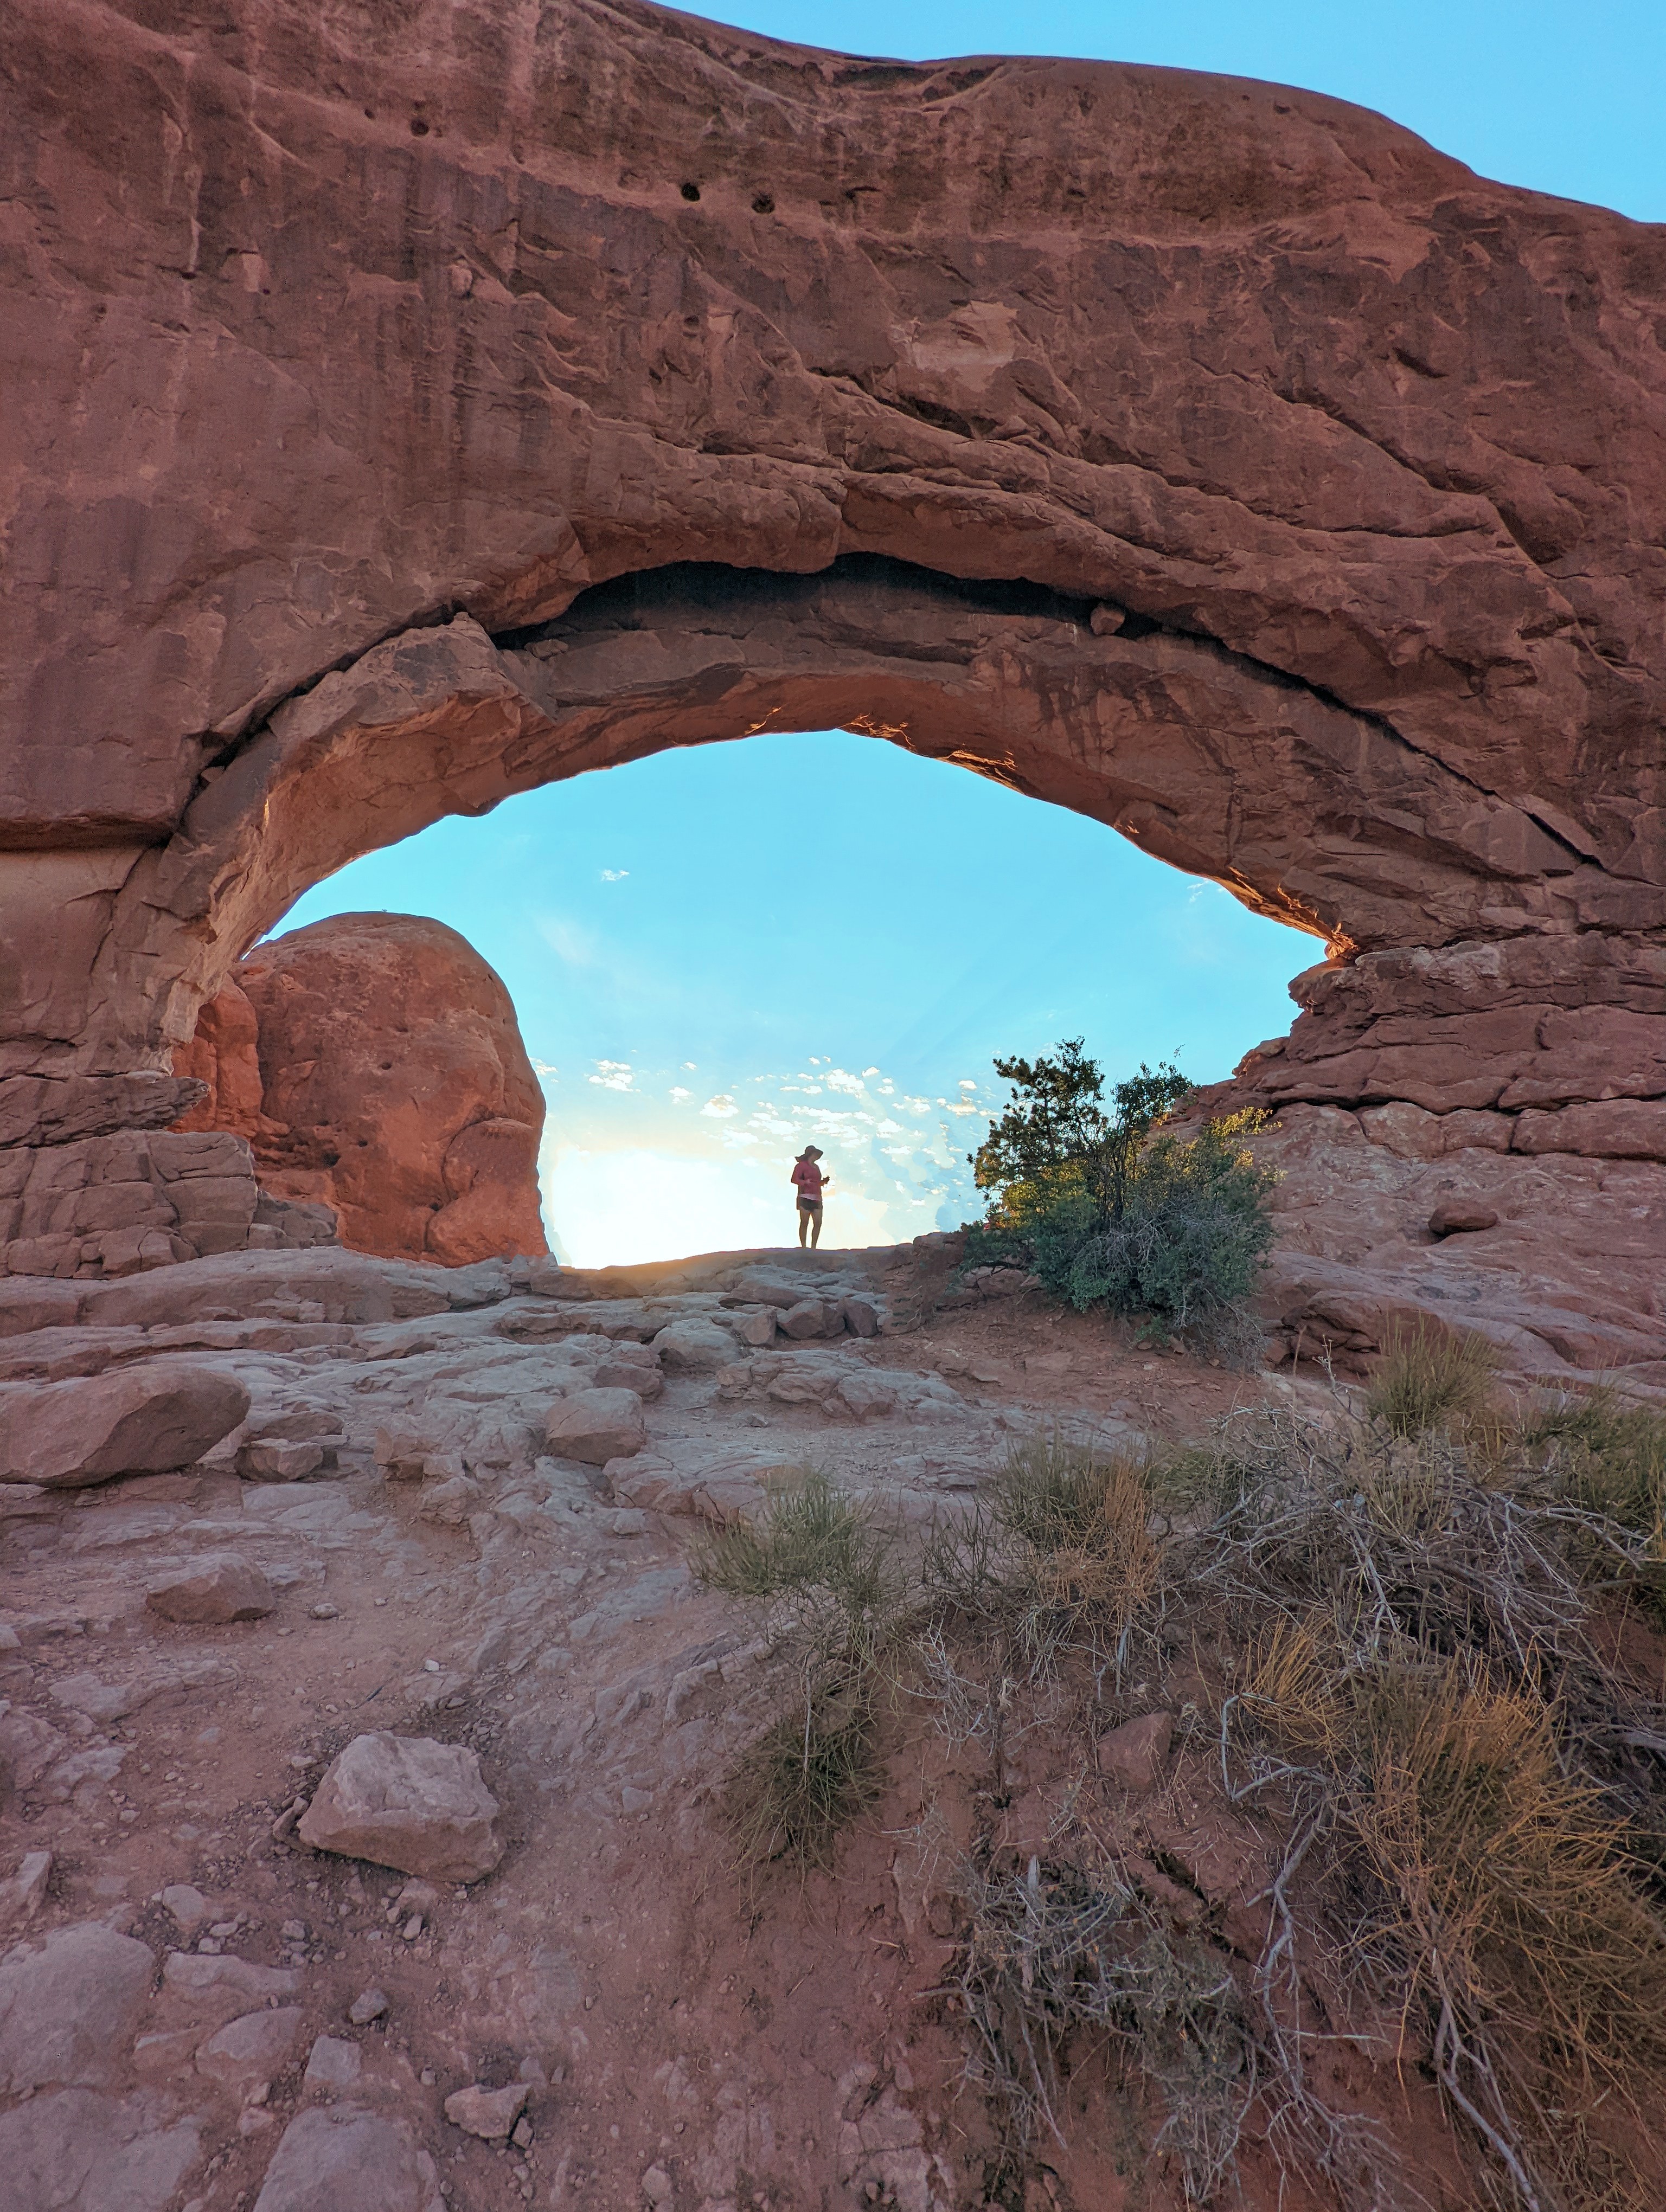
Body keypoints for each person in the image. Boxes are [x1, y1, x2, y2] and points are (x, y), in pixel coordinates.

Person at [790, 1146, 830, 1248]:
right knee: (805, 1222)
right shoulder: (801, 1166)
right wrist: (805, 1182)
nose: (817, 1157)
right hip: (805, 1197)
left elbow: (816, 1182)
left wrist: (823, 1182)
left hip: (817, 1197)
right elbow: (794, 1179)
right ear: (811, 1154)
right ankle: (804, 1246)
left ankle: (813, 1247)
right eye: (816, 1154)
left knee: (818, 1223)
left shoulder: (816, 1167)